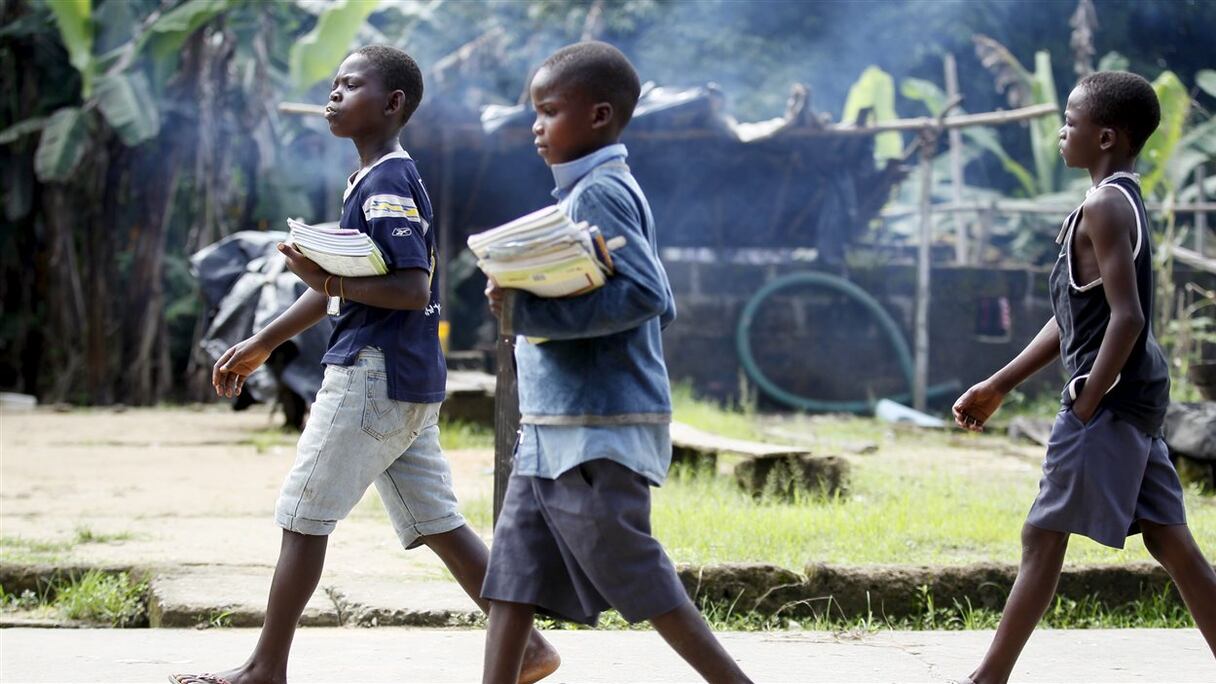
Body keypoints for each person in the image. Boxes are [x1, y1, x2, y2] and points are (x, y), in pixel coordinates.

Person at [171, 45, 558, 684]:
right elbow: (335, 286)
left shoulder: (386, 183)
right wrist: (263, 341)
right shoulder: (375, 177)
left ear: (392, 103)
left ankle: (265, 670)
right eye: (333, 84)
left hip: (372, 374)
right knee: (439, 521)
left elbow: (409, 289)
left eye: (349, 85)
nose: (334, 95)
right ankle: (530, 649)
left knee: (302, 515)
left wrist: (330, 281)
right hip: (405, 377)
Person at [480, 41, 753, 684]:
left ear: (600, 116)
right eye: (535, 113)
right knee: (513, 577)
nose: (535, 127)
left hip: (595, 430)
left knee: (637, 572)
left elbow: (648, 297)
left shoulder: (601, 193)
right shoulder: (582, 195)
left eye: (549, 111)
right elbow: (652, 303)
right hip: (553, 427)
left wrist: (528, 312)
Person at [951, 71, 1216, 683]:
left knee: (1042, 537)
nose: (1060, 132)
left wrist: (1087, 402)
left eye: (1069, 122)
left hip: (1110, 400)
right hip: (1137, 398)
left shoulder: (1102, 205)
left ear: (1104, 136)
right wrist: (999, 384)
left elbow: (1127, 318)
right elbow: (1074, 318)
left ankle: (986, 678)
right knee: (1172, 542)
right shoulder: (1120, 198)